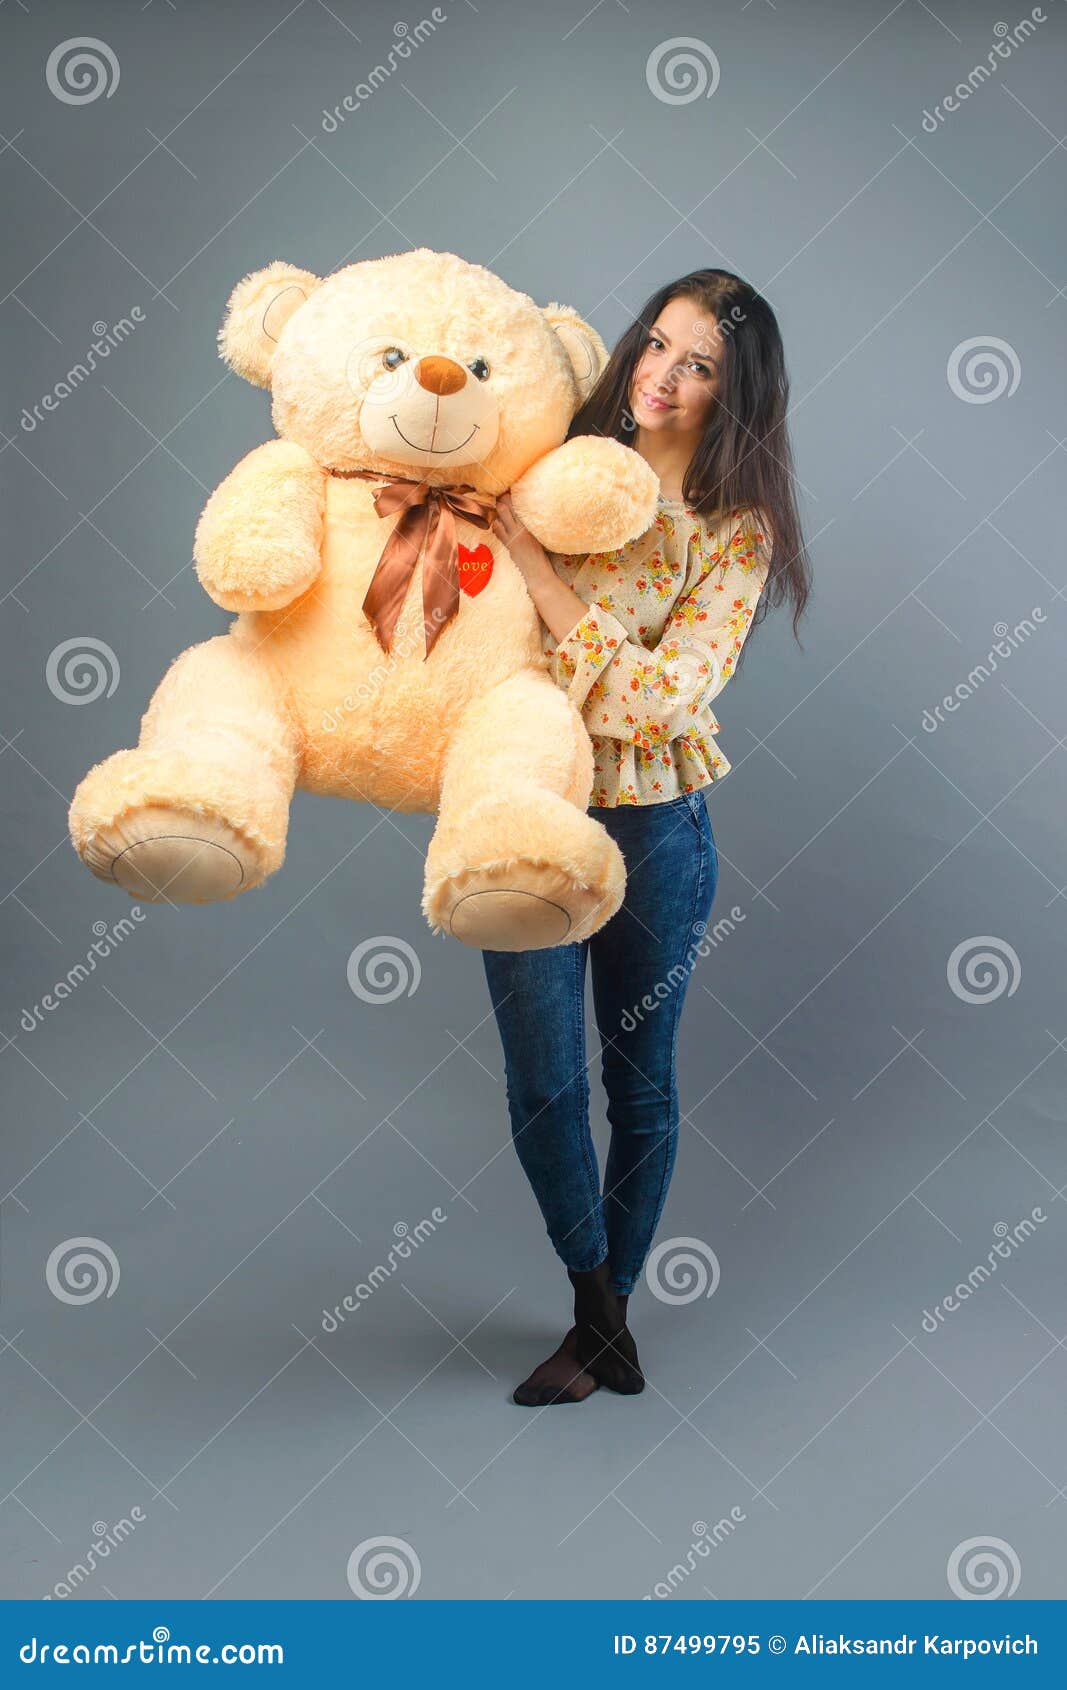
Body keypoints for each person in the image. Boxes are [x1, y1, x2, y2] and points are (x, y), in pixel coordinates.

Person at [484, 268, 811, 1406]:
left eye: (698, 365)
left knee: (640, 1084)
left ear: (735, 392)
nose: (661, 377)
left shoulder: (733, 530)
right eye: (656, 346)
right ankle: (595, 1304)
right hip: (525, 811)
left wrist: (533, 568)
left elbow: (657, 702)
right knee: (538, 1087)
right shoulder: (556, 463)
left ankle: (600, 1318)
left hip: (652, 828)